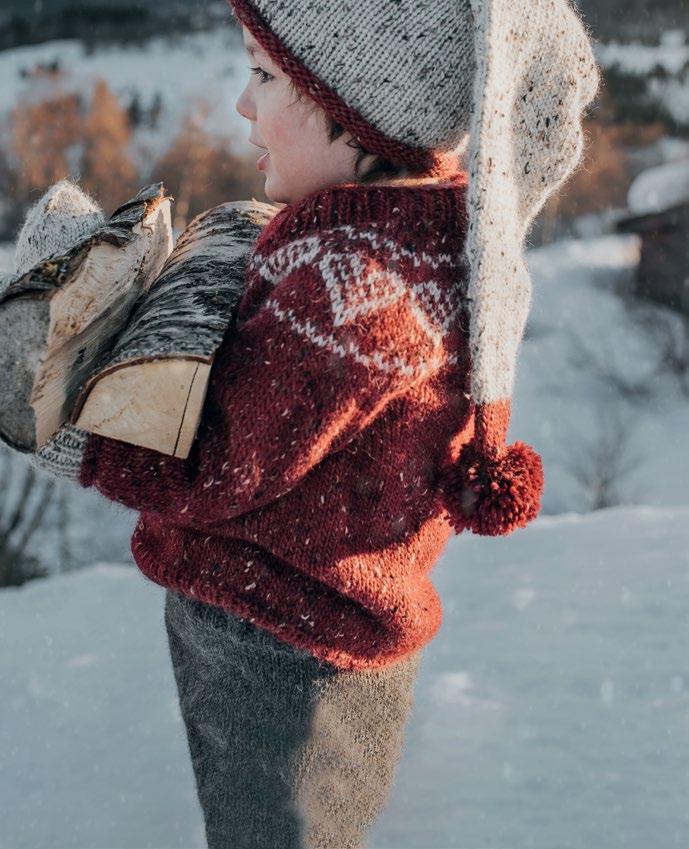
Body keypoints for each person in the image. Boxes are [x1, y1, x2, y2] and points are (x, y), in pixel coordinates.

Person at [11, 1, 600, 847]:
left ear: (355, 109)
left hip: (278, 651)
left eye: (263, 76)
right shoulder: (412, 236)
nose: (241, 106)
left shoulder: (344, 291)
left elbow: (212, 467)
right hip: (307, 633)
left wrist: (63, 412)